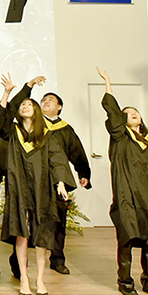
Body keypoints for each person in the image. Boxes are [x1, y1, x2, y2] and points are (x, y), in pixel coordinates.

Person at [97, 67, 148, 295]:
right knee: (126, 239)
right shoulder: (120, 138)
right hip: (127, 198)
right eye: (127, 112)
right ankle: (125, 281)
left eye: (135, 112)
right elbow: (113, 113)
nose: (132, 113)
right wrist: (108, 82)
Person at [0, 74, 74, 295]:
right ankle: (24, 277)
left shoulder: (47, 136)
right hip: (19, 188)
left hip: (42, 189)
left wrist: (61, 182)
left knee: (41, 234)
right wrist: (9, 92)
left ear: (37, 111)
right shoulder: (13, 132)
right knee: (22, 234)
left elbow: (57, 159)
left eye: (30, 104)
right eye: (22, 105)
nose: (25, 106)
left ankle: (40, 278)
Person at [40, 92, 92, 275]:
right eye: (43, 100)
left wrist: (83, 172)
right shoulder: (33, 125)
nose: (46, 102)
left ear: (59, 107)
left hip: (58, 179)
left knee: (58, 220)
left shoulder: (65, 129)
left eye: (50, 100)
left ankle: (57, 259)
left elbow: (76, 150)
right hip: (37, 178)